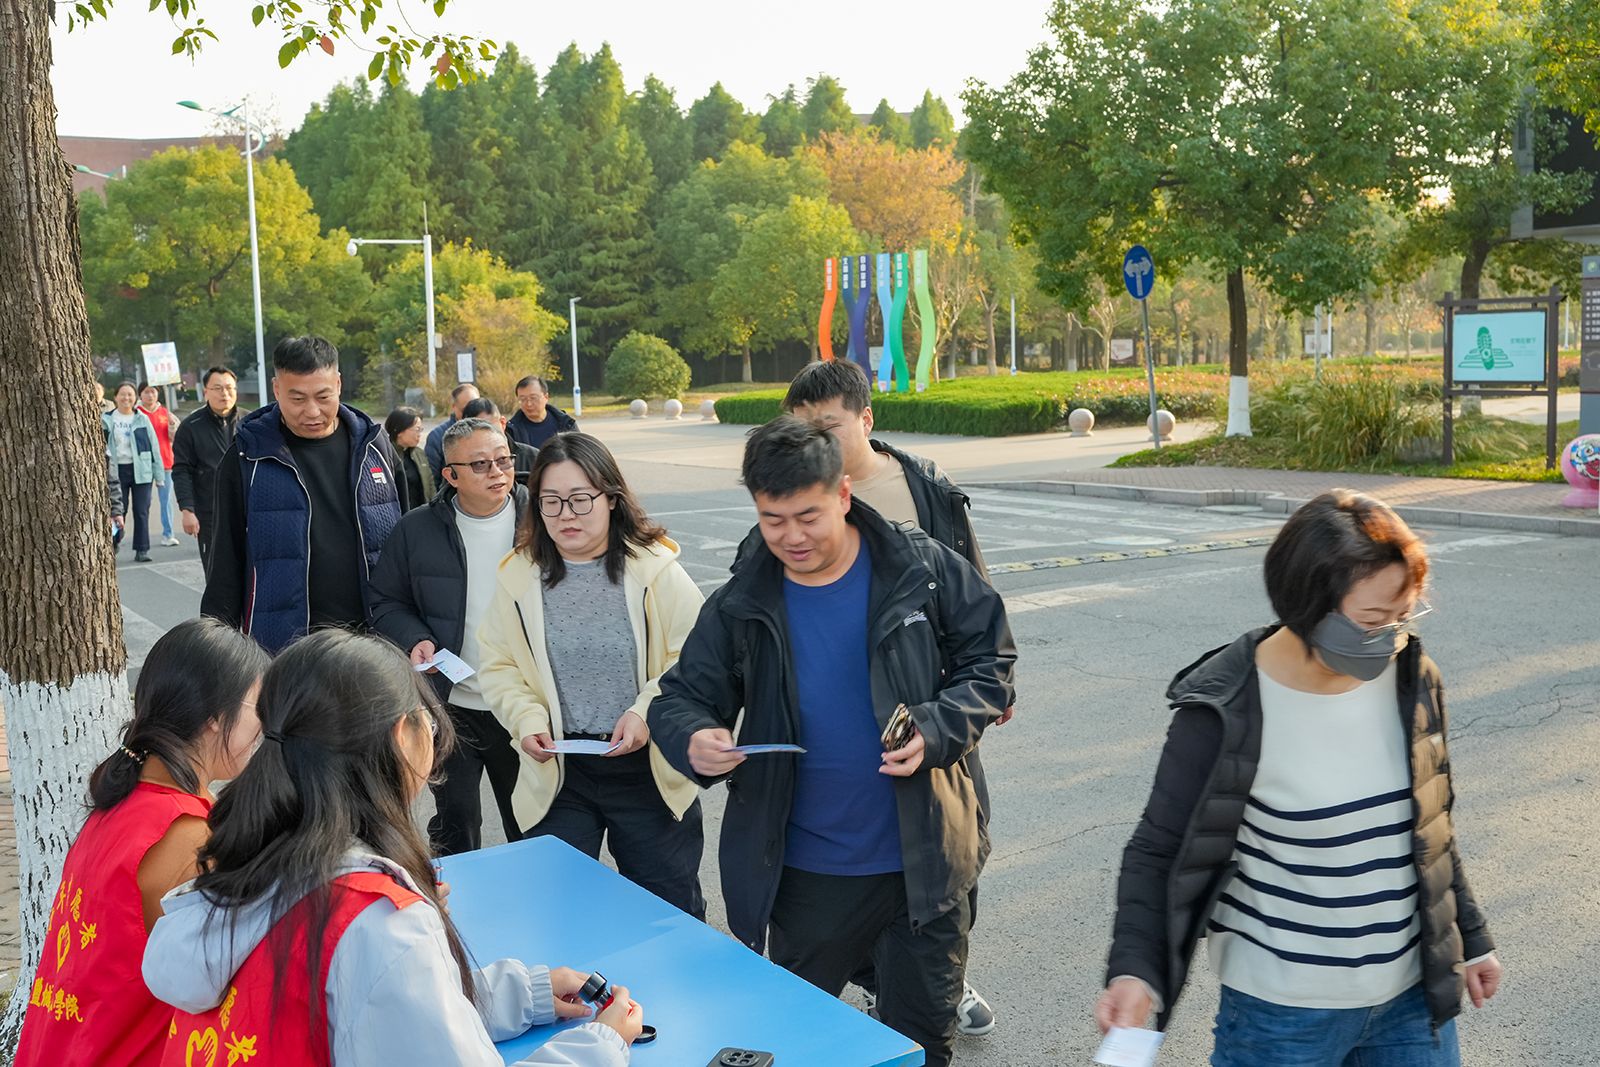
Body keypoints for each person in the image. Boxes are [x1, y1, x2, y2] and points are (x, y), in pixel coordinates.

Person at [648, 416, 1015, 1067]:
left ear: (843, 494)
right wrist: (694, 738)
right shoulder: (742, 602)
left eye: (808, 516)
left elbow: (991, 661)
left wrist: (938, 726)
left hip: (925, 863)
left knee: (921, 1046)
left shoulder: (921, 568)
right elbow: (679, 699)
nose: (792, 536)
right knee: (802, 1044)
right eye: (773, 519)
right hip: (806, 875)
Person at [1097, 491, 1502, 1066]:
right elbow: (1159, 850)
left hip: (1414, 999)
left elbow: (1432, 828)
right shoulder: (1225, 708)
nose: (1392, 637)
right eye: (1373, 620)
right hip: (1281, 1017)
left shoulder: (1413, 678)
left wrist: (1471, 937)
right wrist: (1135, 971)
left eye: (1404, 615)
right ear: (1307, 605)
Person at [142, 629, 644, 1066]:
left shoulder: (249, 863)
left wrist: (522, 994)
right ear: (403, 736)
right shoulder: (379, 921)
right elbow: (383, 986)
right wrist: (601, 1045)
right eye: (428, 723)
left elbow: (377, 1010)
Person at [783, 356, 1006, 1035]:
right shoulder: (797, 498)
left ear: (866, 419)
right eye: (802, 430)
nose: (815, 442)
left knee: (951, 841)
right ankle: (890, 980)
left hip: (933, 702)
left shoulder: (923, 488)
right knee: (861, 852)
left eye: (828, 426)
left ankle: (941, 974)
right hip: (845, 704)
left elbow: (975, 590)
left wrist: (988, 684)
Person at [14, 619, 270, 1067]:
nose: (263, 724)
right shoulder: (188, 834)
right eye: (258, 705)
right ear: (214, 717)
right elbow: (216, 981)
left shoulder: (120, 801)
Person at [476, 432, 706, 916]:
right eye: (551, 502)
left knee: (667, 913)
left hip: (646, 769)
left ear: (611, 498)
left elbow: (695, 658)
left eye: (580, 499)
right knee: (558, 912)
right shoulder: (519, 575)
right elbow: (498, 664)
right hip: (560, 770)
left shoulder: (656, 570)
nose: (566, 515)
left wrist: (645, 712)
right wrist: (525, 720)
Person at [371, 416, 526, 855]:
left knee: (529, 822)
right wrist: (415, 637)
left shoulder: (541, 518)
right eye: (480, 464)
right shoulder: (417, 529)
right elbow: (386, 601)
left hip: (523, 705)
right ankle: (452, 899)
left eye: (503, 460)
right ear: (450, 475)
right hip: (449, 704)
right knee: (456, 822)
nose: (497, 472)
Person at [201, 336, 406, 654]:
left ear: (338, 384)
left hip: (375, 642)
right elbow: (226, 563)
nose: (312, 411)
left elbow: (408, 545)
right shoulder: (248, 457)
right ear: (276, 389)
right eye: (297, 399)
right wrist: (218, 653)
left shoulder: (375, 447)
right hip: (284, 647)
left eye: (323, 397)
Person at [171, 367, 241, 572]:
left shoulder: (251, 423)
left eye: (229, 388)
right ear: (205, 392)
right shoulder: (191, 427)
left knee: (249, 574)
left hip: (247, 512)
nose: (224, 393)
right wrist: (187, 510)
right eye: (217, 388)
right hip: (210, 513)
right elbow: (181, 470)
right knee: (217, 573)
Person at [103, 382, 166, 563]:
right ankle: (113, 543)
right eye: (122, 394)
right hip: (115, 471)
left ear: (135, 398)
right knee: (117, 510)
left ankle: (142, 549)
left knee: (141, 511)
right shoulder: (106, 420)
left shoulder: (142, 419)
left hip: (141, 471)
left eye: (130, 394)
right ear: (115, 397)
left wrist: (159, 475)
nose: (126, 398)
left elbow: (154, 447)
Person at [137, 383, 181, 547]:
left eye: (153, 392)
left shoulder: (165, 413)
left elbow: (175, 439)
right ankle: (142, 539)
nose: (150, 395)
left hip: (165, 462)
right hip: (144, 464)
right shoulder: (136, 413)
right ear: (140, 395)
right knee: (144, 503)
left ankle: (168, 534)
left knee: (166, 500)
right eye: (146, 392)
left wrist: (172, 425)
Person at [462, 396, 537, 480]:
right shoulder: (462, 464)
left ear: (502, 423)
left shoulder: (532, 457)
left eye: (489, 430)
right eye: (477, 434)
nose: (485, 438)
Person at [425, 382, 481, 482]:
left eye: (476, 408)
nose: (471, 413)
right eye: (465, 410)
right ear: (454, 407)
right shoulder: (437, 437)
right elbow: (432, 479)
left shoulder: (490, 432)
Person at [385, 406, 435, 513]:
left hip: (420, 515)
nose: (419, 434)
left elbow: (430, 487)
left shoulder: (419, 454)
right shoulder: (385, 455)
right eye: (417, 429)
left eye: (421, 430)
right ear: (399, 430)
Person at [506, 375, 578, 451]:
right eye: (523, 399)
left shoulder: (566, 423)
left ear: (546, 397)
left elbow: (580, 452)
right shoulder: (512, 430)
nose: (528, 404)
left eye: (533, 398)